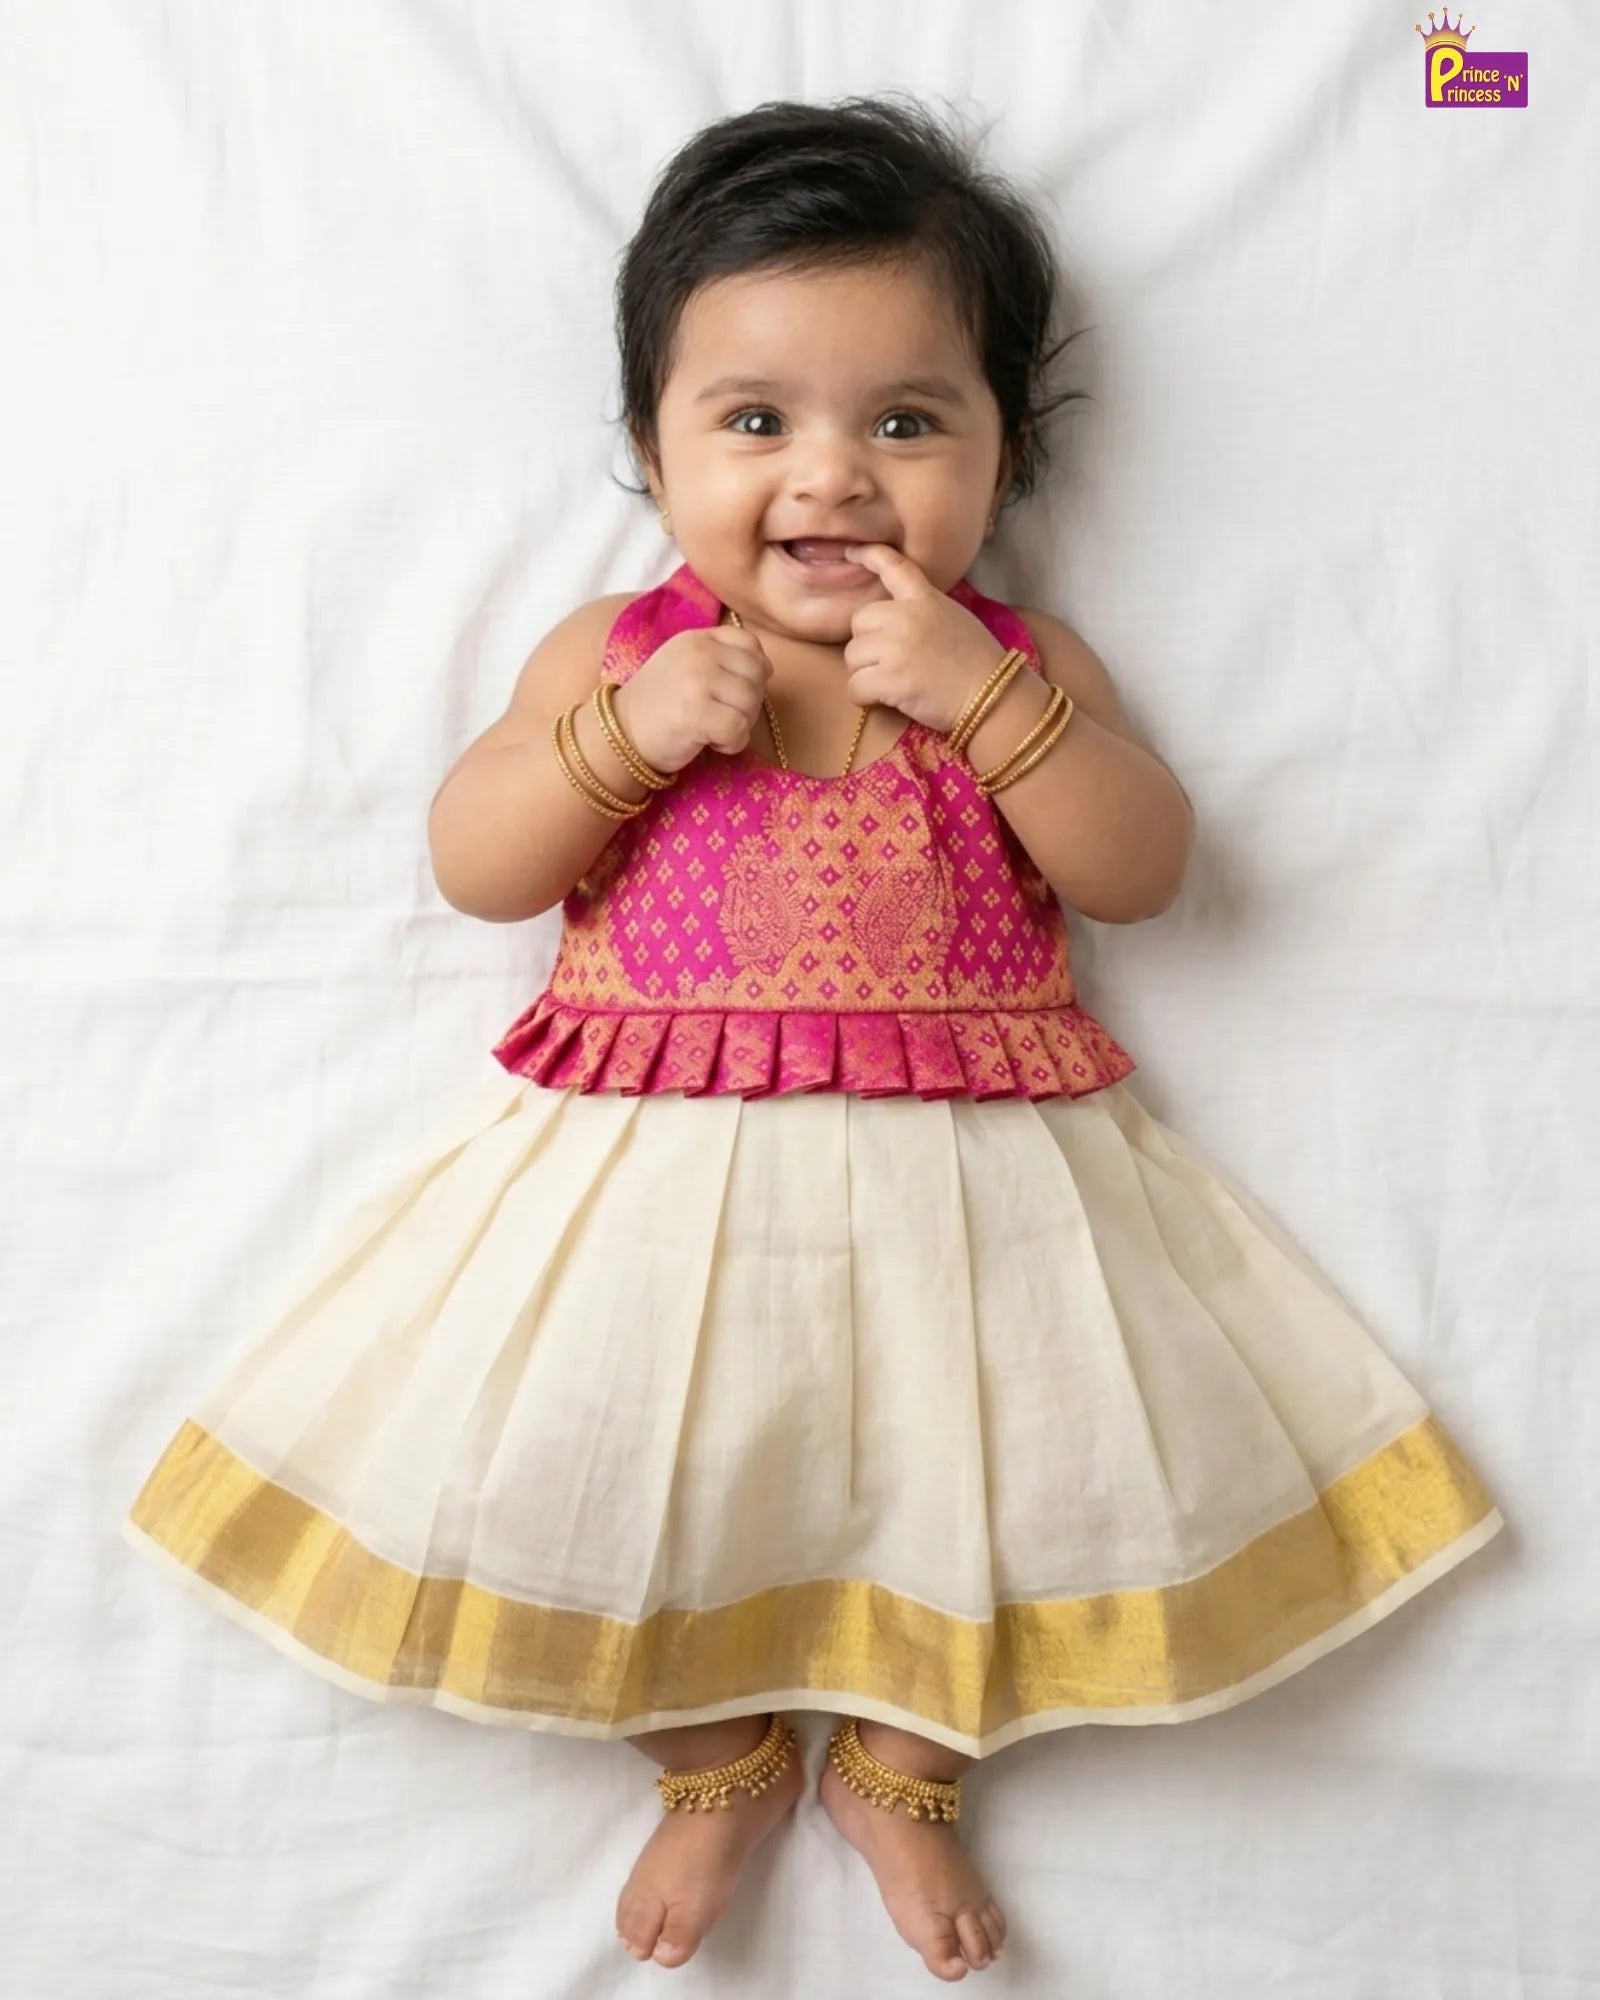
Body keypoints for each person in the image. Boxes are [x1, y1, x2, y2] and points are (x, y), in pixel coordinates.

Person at [119, 93, 1506, 1984]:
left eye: (907, 421)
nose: (833, 477)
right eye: (755, 420)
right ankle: (710, 1752)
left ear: (1004, 457)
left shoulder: (1015, 664)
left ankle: (909, 1765)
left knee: (1002, 1481)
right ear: (649, 445)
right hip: (646, 1191)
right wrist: (617, 741)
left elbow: (1144, 868)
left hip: (976, 1200)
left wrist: (994, 708)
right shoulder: (612, 649)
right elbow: (473, 858)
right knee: (593, 1481)